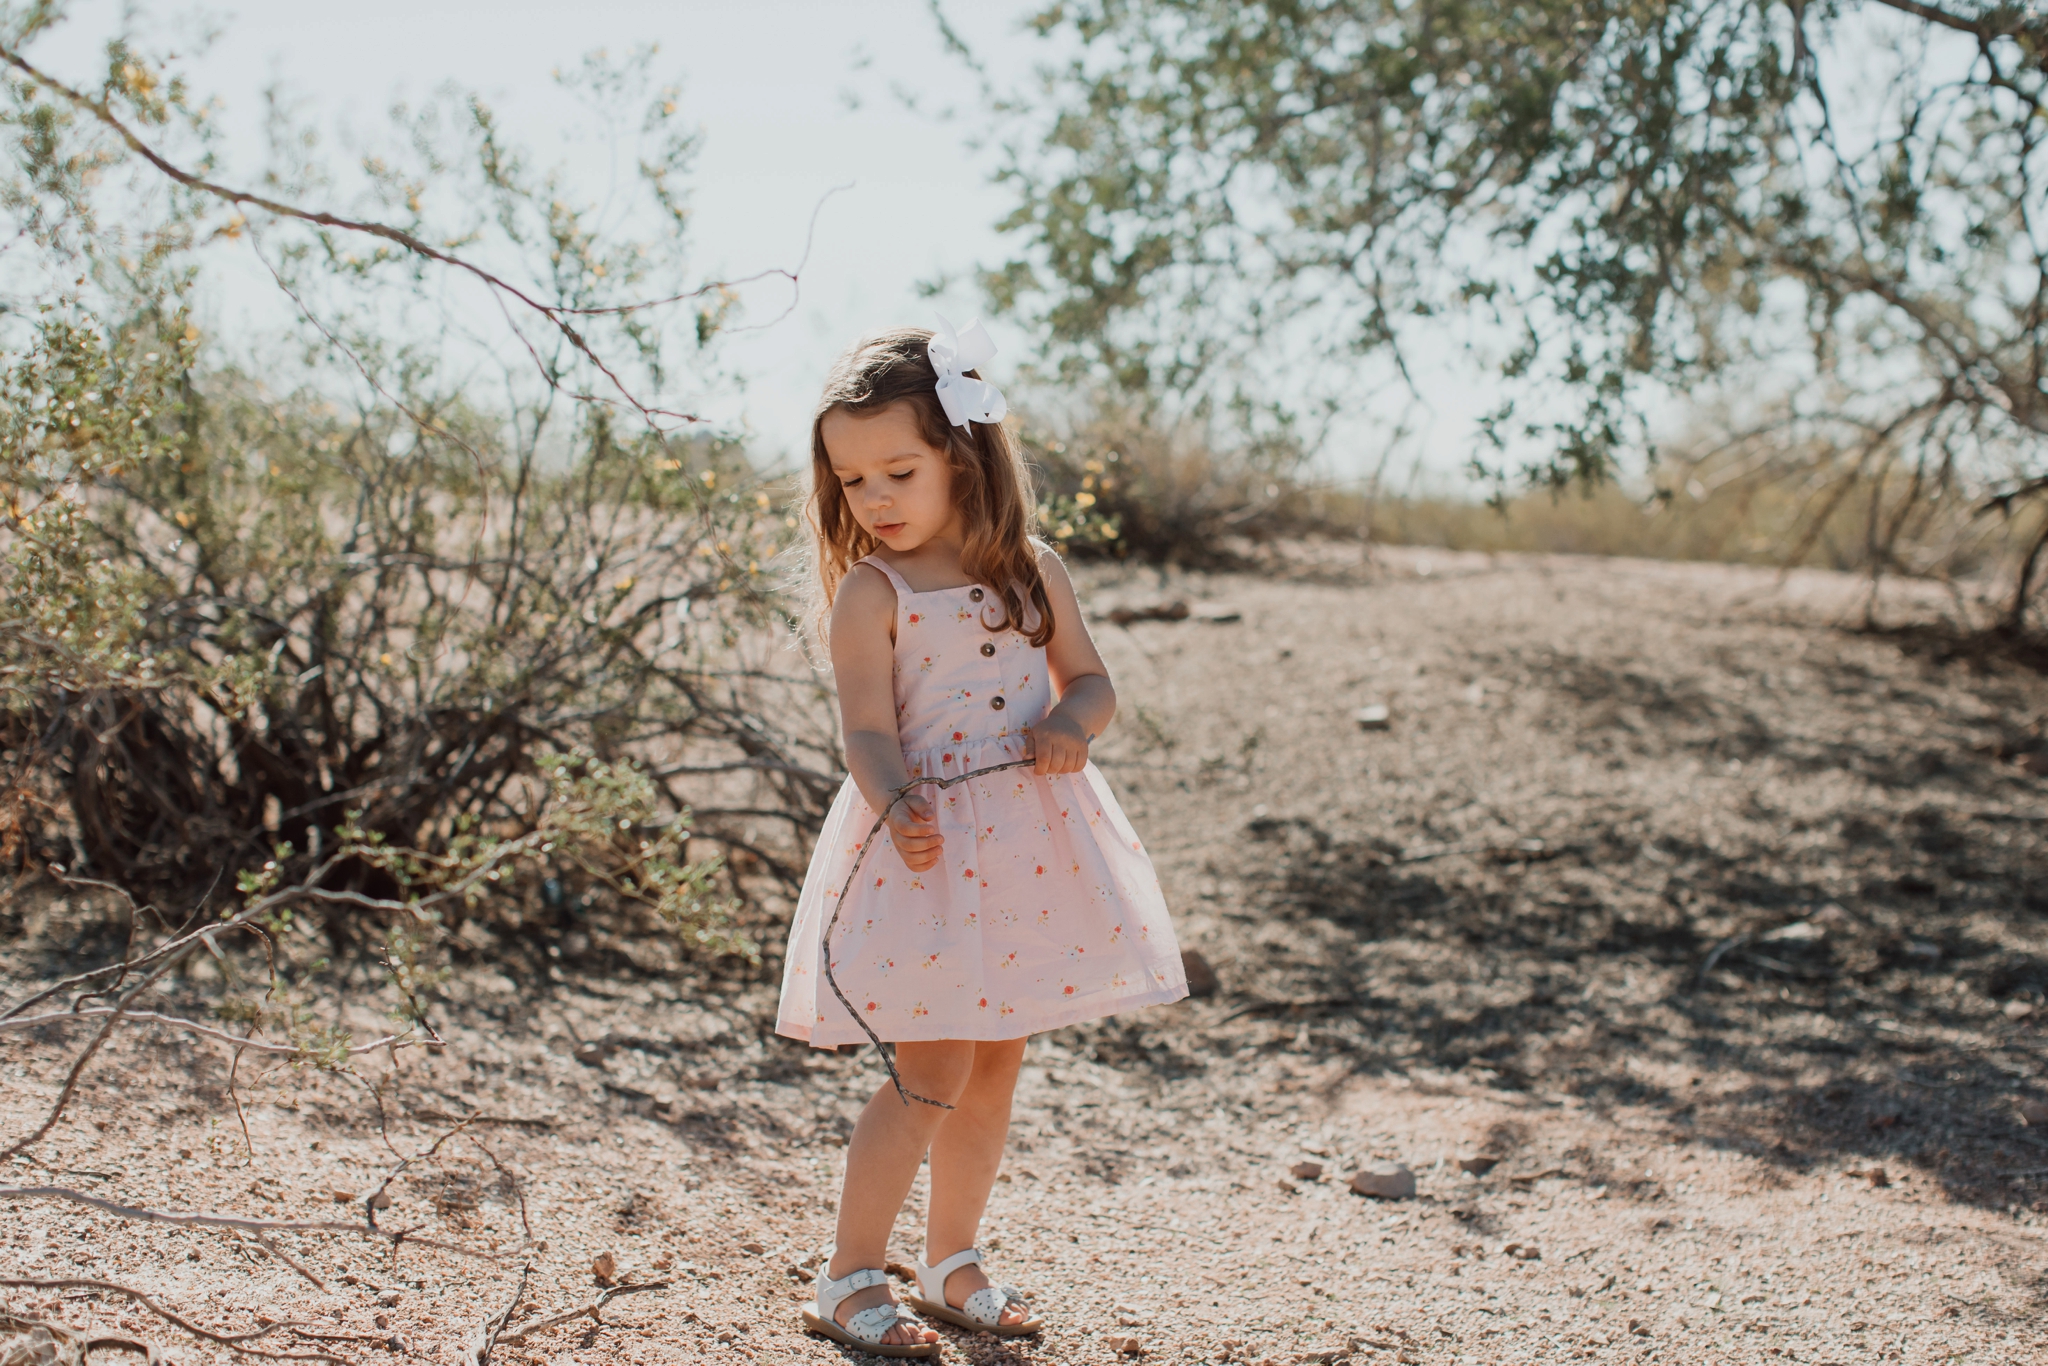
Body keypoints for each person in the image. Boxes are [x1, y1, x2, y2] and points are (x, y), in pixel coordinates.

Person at [775, 320, 1188, 1356]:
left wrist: (1068, 724)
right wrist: (893, 798)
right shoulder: (873, 591)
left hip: (1023, 846)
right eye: (852, 479)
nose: (873, 498)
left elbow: (1089, 682)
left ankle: (952, 1259)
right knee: (930, 1066)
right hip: (923, 851)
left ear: (961, 458)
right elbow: (865, 730)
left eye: (898, 471)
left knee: (994, 1063)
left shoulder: (1026, 569)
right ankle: (847, 1273)